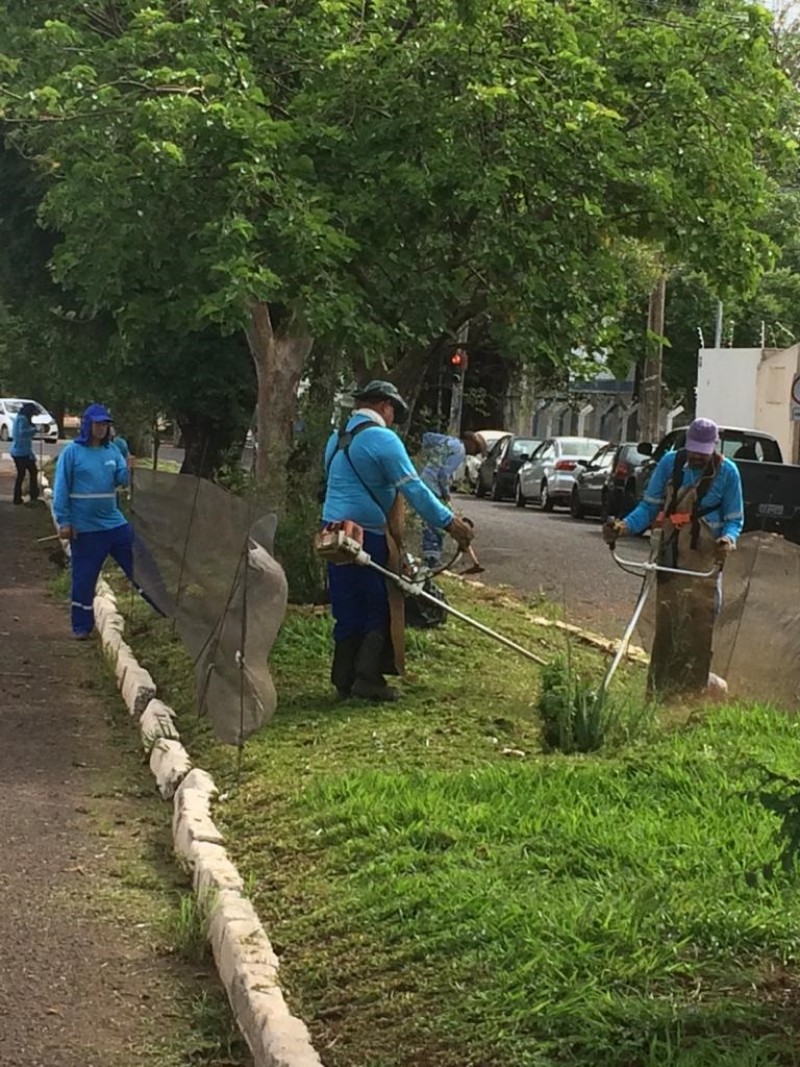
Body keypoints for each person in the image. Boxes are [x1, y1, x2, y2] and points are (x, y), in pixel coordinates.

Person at [322, 380, 475, 701]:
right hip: (367, 536)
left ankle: (342, 679)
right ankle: (368, 678)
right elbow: (415, 490)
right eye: (393, 412)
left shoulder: (335, 440)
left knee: (346, 604)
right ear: (384, 406)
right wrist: (450, 524)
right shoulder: (383, 439)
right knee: (378, 604)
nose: (393, 419)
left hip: (332, 534)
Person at [603, 417, 744, 694]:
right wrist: (623, 527)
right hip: (671, 557)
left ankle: (693, 695)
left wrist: (727, 540)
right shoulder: (670, 464)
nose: (696, 456)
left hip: (705, 563)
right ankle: (657, 693)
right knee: (667, 629)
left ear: (713, 448)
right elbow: (648, 507)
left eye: (702, 452)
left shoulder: (728, 473)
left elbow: (734, 520)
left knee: (699, 631)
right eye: (693, 449)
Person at [53, 403, 138, 639]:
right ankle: (81, 626)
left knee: (139, 564)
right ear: (87, 425)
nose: (102, 429)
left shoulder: (112, 452)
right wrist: (64, 521)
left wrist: (129, 470)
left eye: (105, 425)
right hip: (86, 528)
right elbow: (61, 488)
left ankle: (166, 608)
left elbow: (120, 479)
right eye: (98, 424)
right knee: (84, 577)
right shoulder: (72, 453)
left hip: (114, 524)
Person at [419, 430, 484, 570]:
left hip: (423, 479)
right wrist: (446, 493)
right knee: (438, 521)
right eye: (475, 449)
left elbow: (426, 438)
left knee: (431, 518)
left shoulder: (448, 441)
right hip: (434, 486)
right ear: (471, 442)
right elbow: (444, 474)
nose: (472, 453)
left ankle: (430, 555)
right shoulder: (459, 450)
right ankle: (432, 558)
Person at [10, 401, 40, 505]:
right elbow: (22, 432)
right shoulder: (22, 419)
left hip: (21, 451)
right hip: (21, 452)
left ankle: (21, 496)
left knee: (26, 473)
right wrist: (34, 430)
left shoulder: (19, 418)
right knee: (30, 472)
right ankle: (32, 495)